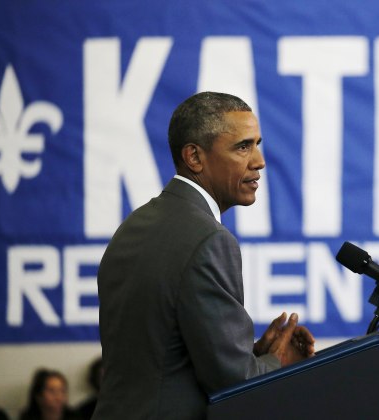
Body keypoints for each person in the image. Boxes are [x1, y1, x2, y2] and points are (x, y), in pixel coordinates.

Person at [94, 92, 315, 420]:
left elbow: (167, 359)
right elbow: (235, 383)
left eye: (257, 144)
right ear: (194, 157)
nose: (259, 161)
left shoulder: (134, 225)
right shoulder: (211, 239)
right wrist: (278, 362)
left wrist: (253, 355)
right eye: (243, 147)